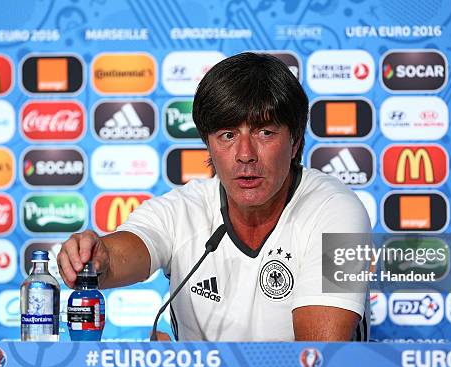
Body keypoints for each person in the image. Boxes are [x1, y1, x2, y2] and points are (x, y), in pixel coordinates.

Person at [57, 52, 371, 341]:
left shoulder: (341, 213)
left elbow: (318, 360)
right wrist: (91, 259)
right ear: (209, 145)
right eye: (228, 135)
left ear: (295, 141)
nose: (245, 154)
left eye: (265, 133)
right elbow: (120, 254)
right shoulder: (184, 208)